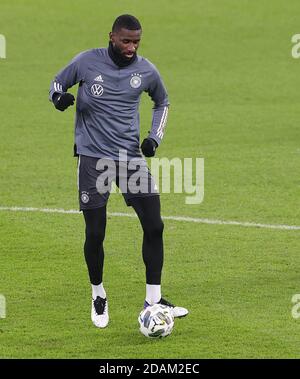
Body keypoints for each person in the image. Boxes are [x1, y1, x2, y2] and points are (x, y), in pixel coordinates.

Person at [49, 14, 188, 328]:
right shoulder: (87, 62)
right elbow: (58, 82)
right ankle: (98, 292)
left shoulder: (146, 70)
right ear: (111, 37)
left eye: (136, 41)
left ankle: (153, 300)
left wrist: (154, 138)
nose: (132, 47)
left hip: (130, 159)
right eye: (126, 40)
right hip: (92, 159)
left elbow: (162, 102)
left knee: (155, 226)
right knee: (96, 232)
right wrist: (59, 98)